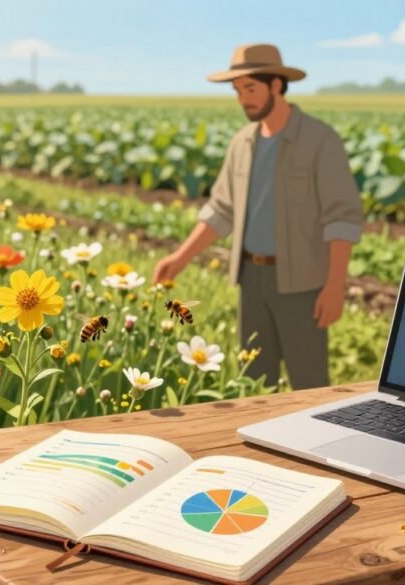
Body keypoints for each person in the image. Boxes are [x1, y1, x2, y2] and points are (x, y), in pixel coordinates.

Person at [153, 43, 364, 390]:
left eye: (250, 88)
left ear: (277, 85)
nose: (243, 99)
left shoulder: (319, 140)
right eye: (238, 91)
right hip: (251, 280)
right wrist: (180, 258)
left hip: (301, 285)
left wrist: (335, 286)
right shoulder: (242, 143)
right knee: (253, 383)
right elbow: (222, 210)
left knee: (308, 383)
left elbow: (341, 218)